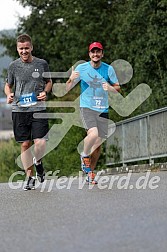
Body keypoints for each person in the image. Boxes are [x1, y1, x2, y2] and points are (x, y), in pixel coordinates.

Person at [66, 42, 120, 184]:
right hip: (87, 107)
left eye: (98, 52)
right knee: (93, 133)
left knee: (97, 145)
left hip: (103, 108)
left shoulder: (109, 69)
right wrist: (71, 78)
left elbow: (118, 88)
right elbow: (67, 88)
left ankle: (90, 173)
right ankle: (83, 155)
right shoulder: (81, 68)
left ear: (102, 54)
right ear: (89, 54)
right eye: (93, 52)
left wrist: (109, 87)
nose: (95, 54)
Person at [4, 34, 52, 190]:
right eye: (21, 49)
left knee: (41, 142)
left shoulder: (42, 64)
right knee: (25, 144)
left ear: (31, 47)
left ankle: (38, 162)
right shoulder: (13, 66)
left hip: (38, 108)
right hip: (20, 109)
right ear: (17, 49)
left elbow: (49, 82)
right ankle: (29, 177)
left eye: (26, 48)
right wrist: (8, 94)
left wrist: (46, 92)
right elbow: (8, 85)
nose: (24, 51)